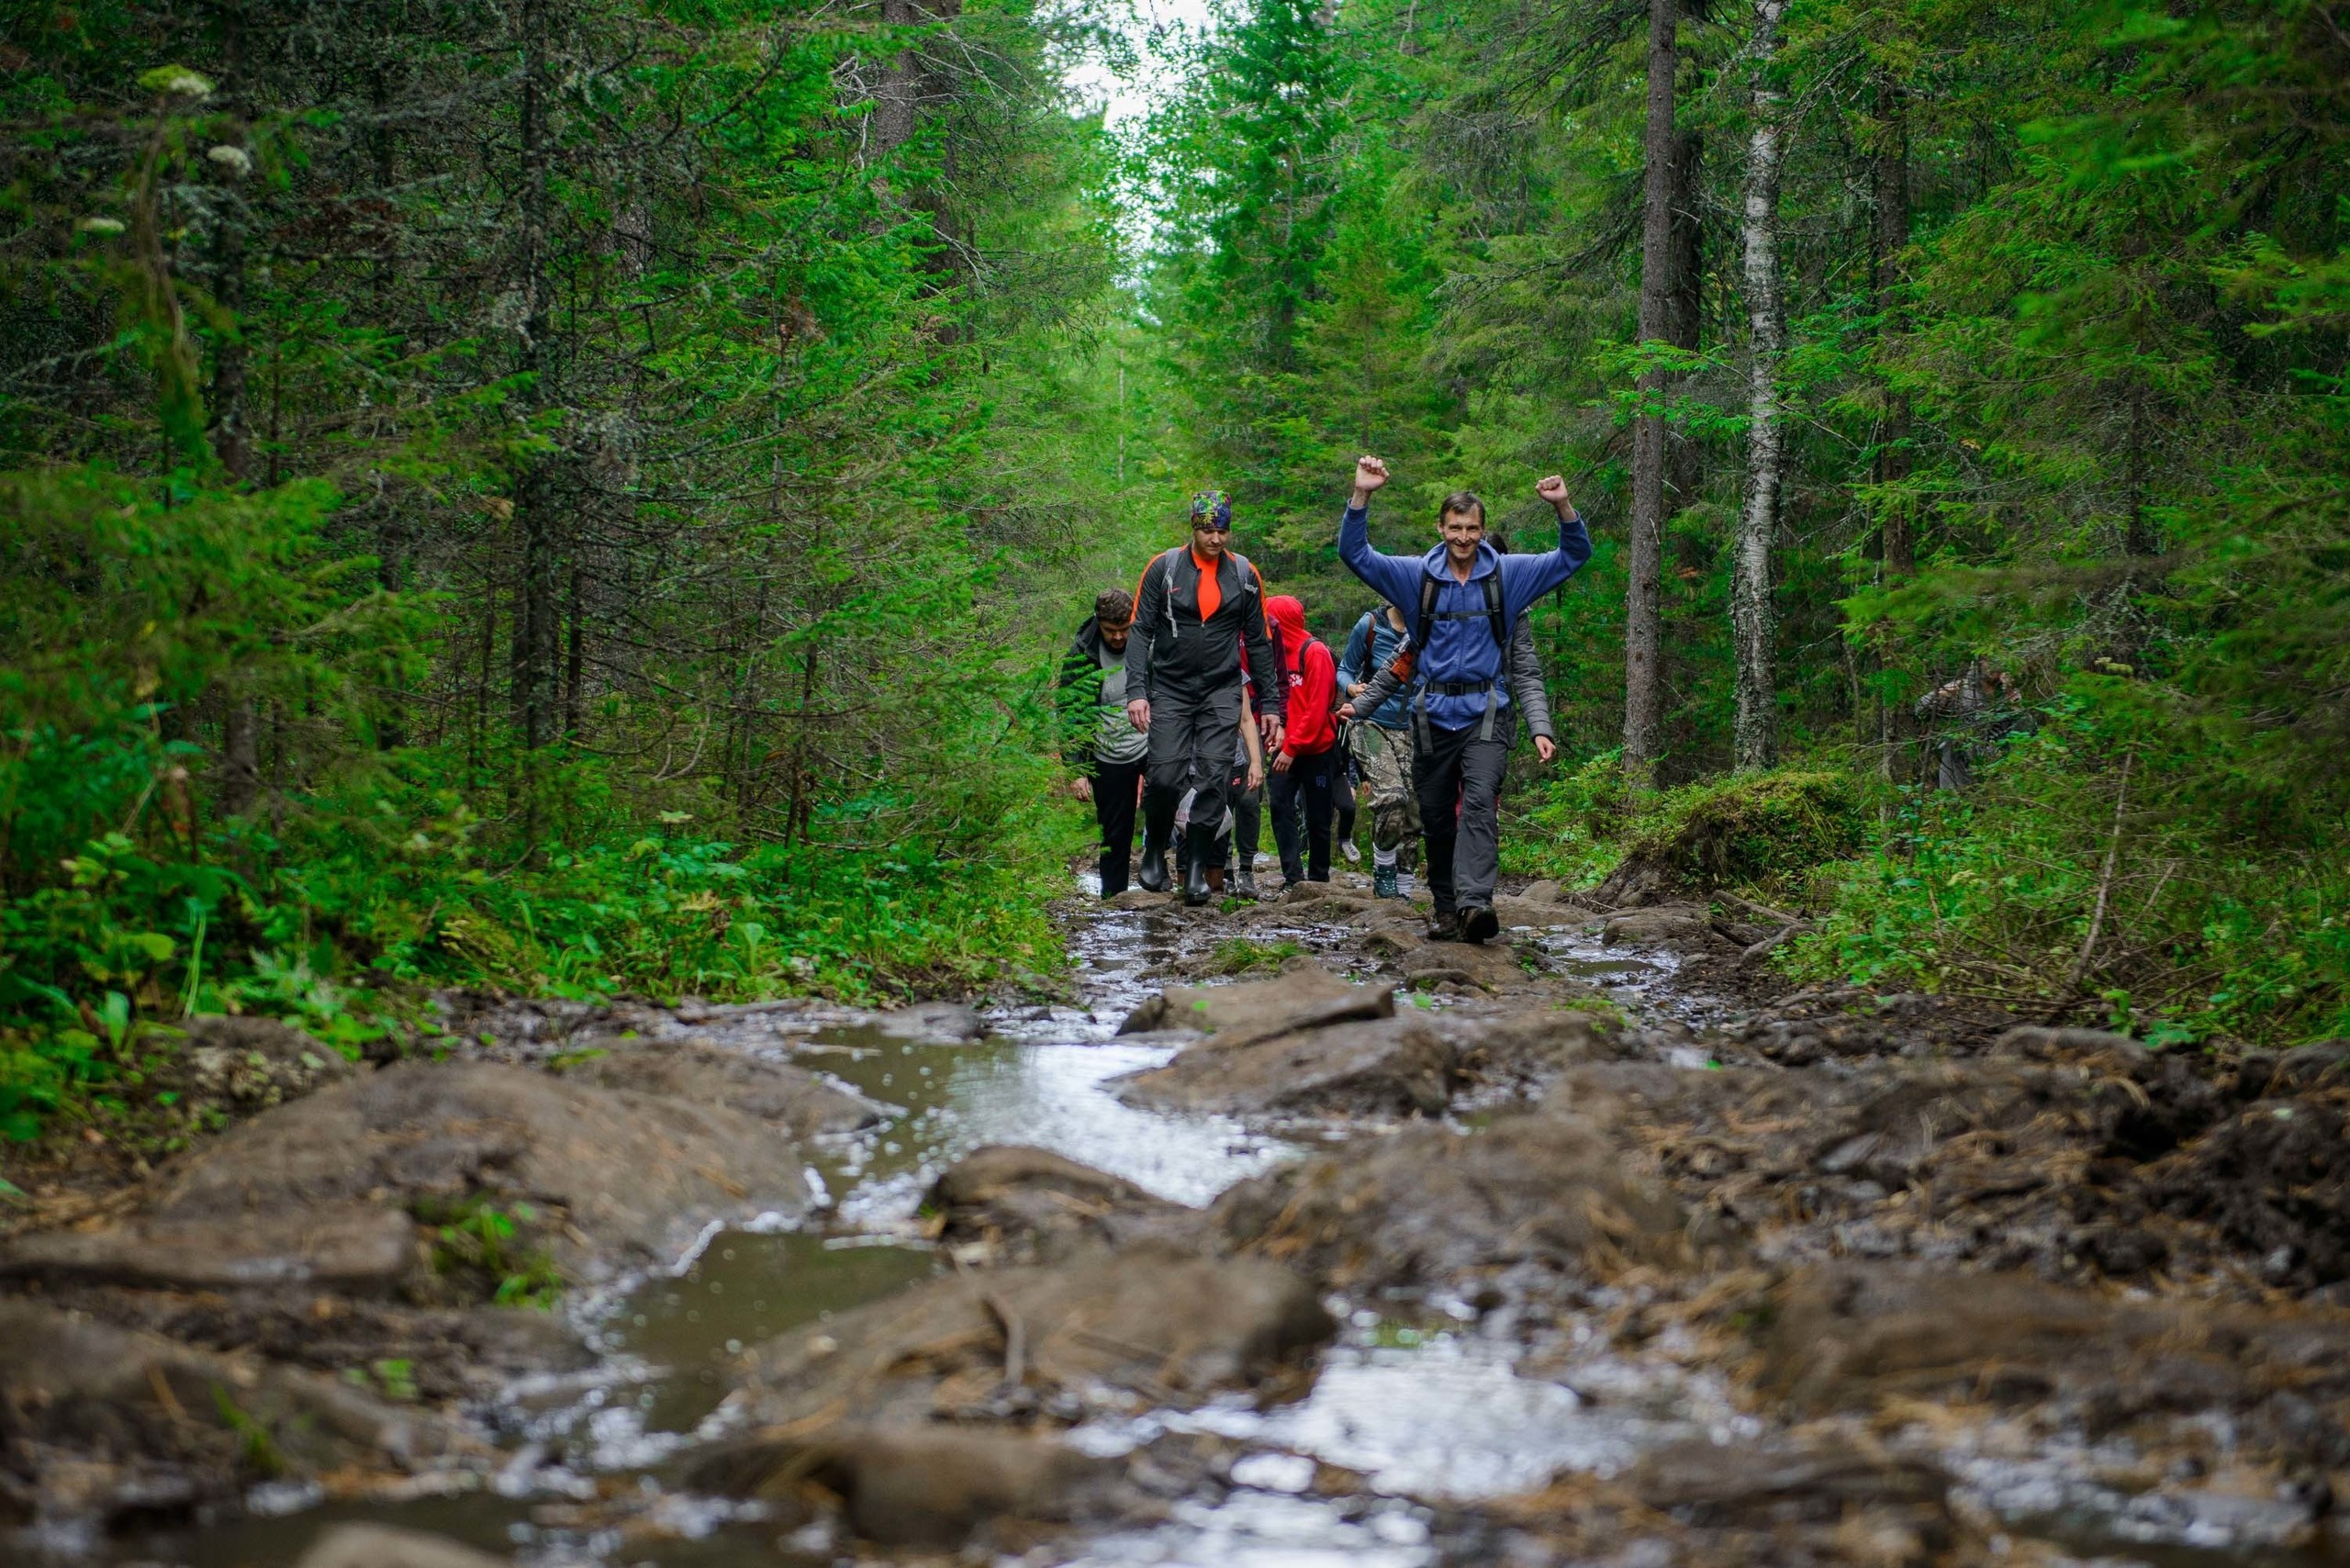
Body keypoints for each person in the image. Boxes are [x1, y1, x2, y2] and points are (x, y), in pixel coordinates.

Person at [1337, 455, 1591, 943]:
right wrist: (1362, 495)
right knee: (1434, 818)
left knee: (1477, 806)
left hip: (1487, 715)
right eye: (1455, 528)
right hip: (1431, 716)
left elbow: (1572, 557)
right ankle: (1447, 908)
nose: (1464, 538)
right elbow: (1356, 555)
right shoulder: (1416, 577)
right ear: (1441, 527)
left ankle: (1476, 904)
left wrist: (1562, 506)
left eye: (1472, 529)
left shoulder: (1509, 576)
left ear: (1482, 529)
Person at [1125, 490, 1287, 906]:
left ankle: (1197, 865)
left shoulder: (1245, 575)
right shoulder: (1165, 568)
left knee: (1215, 779)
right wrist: (1136, 692)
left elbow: (1259, 640)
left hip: (1221, 687)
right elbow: (1140, 630)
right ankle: (1156, 849)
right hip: (1171, 687)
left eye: (1222, 530)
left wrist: (1269, 703)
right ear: (1193, 528)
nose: (1216, 539)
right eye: (1208, 530)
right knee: (1164, 775)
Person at [1056, 588, 1147, 896]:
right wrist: (1077, 770)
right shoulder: (1082, 652)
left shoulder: (1150, 641)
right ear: (1099, 623)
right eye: (1111, 631)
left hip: (1154, 743)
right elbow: (1071, 714)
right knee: (1114, 832)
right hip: (1108, 752)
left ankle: (1162, 873)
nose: (1119, 637)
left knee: (1171, 798)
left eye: (1124, 630)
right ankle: (1114, 899)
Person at [1336, 600, 1418, 899]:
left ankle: (1406, 884)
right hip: (1371, 722)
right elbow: (1344, 669)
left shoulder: (1429, 625)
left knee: (1414, 811)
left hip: (1416, 728)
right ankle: (1384, 871)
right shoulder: (1370, 625)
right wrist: (1351, 689)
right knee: (1392, 798)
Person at [1263, 594, 1341, 889]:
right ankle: (1293, 879)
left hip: (1316, 750)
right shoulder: (1273, 654)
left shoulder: (1315, 653)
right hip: (1284, 749)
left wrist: (1292, 748)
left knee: (1319, 818)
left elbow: (1317, 709)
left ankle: (1319, 879)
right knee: (1281, 810)